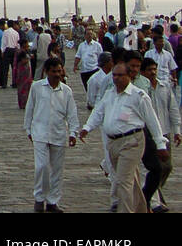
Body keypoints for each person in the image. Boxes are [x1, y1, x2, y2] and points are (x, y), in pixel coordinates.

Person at [80, 61, 168, 213]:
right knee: (130, 181)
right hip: (113, 143)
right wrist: (87, 127)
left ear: (129, 76)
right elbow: (98, 111)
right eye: (114, 75)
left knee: (122, 181)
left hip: (132, 142)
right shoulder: (110, 93)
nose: (116, 78)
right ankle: (142, 209)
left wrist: (160, 144)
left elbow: (152, 121)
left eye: (120, 75)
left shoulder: (138, 96)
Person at [24, 58, 79, 212]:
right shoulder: (37, 87)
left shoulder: (66, 91)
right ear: (46, 71)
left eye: (59, 71)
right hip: (39, 133)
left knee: (56, 170)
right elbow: (30, 108)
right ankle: (39, 198)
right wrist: (28, 129)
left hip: (59, 133)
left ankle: (52, 201)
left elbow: (72, 113)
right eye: (53, 71)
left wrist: (74, 132)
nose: (56, 74)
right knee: (41, 167)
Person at [139, 57, 178, 211]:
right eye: (149, 70)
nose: (153, 72)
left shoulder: (164, 87)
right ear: (143, 72)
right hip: (148, 134)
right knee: (154, 167)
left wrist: (178, 131)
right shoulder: (140, 90)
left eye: (154, 69)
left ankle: (153, 189)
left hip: (164, 131)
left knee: (167, 166)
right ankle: (153, 200)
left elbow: (173, 109)